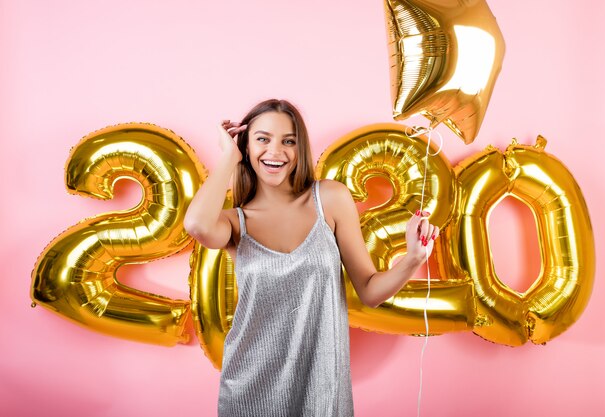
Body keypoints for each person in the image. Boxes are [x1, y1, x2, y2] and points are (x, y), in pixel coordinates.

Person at [183, 99, 439, 417]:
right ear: (245, 147)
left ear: (299, 148)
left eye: (288, 141)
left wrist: (414, 258)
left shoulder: (330, 199)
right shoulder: (235, 222)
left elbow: (370, 291)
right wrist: (228, 158)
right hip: (250, 389)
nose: (275, 151)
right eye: (262, 139)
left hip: (321, 388)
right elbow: (196, 224)